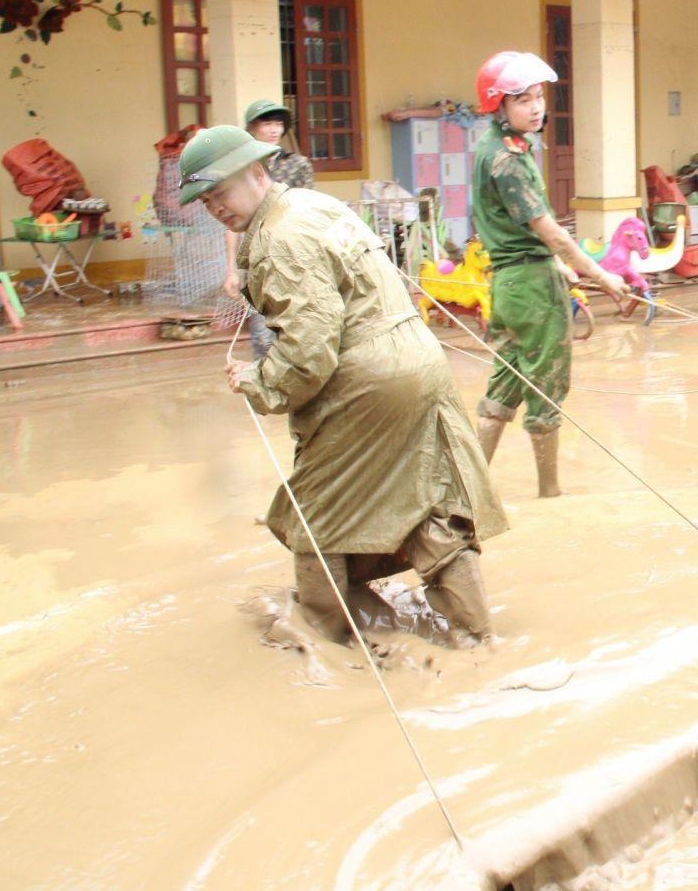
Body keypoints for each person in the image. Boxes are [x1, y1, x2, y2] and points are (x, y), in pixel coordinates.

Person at [182, 124, 507, 649]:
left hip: (367, 380)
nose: (214, 207)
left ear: (258, 172)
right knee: (427, 497)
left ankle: (334, 641)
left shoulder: (278, 239)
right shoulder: (315, 204)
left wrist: (258, 381)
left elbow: (309, 355)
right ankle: (478, 638)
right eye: (205, 199)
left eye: (220, 191)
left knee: (315, 514)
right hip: (419, 360)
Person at [470, 51, 632, 497]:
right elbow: (551, 233)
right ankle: (551, 496)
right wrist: (603, 276)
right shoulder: (506, 161)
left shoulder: (496, 149)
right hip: (532, 287)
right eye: (522, 99)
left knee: (505, 382)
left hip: (509, 282)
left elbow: (517, 229)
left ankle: (471, 489)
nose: (535, 107)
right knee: (546, 385)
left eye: (538, 97)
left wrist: (560, 265)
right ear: (499, 105)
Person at [223, 100, 315, 359]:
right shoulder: (240, 170)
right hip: (257, 262)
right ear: (251, 129)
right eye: (267, 123)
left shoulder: (297, 165)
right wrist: (231, 270)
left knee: (299, 332)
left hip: (293, 258)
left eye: (278, 124)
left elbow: (307, 211)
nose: (274, 130)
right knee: (263, 338)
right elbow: (232, 223)